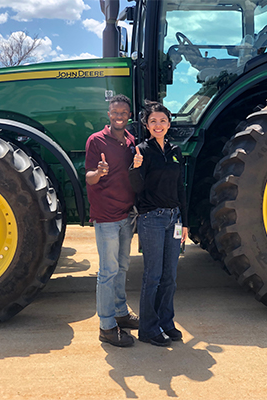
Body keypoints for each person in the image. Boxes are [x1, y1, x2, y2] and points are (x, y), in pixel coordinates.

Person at [129, 100, 188, 346]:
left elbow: (180, 188)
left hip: (174, 218)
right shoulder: (142, 151)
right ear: (146, 125)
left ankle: (166, 322)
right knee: (152, 276)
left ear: (169, 123)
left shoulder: (175, 151)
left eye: (162, 120)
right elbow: (136, 189)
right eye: (153, 121)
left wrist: (185, 221)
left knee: (170, 277)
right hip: (152, 219)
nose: (158, 124)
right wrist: (135, 168)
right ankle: (148, 329)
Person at [85, 94, 139, 347]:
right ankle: (106, 326)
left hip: (125, 213)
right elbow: (89, 177)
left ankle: (120, 312)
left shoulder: (130, 140)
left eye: (123, 113)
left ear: (129, 115)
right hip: (106, 215)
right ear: (109, 114)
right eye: (115, 112)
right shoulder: (96, 140)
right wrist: (99, 172)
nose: (119, 117)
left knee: (122, 267)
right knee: (107, 272)